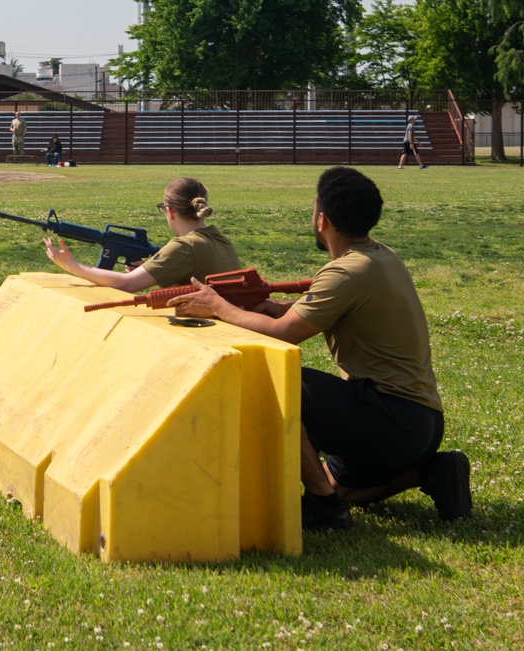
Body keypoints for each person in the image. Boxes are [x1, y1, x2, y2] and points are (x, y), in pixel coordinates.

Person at [167, 167, 470, 530]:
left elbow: (282, 335)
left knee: (276, 378)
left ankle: (323, 508)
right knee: (337, 484)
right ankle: (431, 472)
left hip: (389, 419)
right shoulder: (380, 256)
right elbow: (321, 311)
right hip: (422, 423)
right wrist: (279, 308)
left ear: (322, 219)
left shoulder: (344, 273)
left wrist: (219, 306)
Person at [44, 177, 241, 292]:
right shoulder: (219, 237)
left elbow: (125, 284)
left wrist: (73, 265)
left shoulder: (184, 247)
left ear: (169, 211)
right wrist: (160, 272)